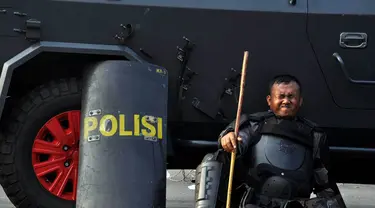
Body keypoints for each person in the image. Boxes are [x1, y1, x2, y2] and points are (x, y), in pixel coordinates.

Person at [194, 75, 346, 208]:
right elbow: (236, 141)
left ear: (300, 101)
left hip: (295, 204)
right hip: (253, 202)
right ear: (269, 100)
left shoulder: (315, 135)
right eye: (281, 96)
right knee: (213, 159)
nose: (286, 101)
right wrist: (228, 138)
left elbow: (325, 182)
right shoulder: (254, 124)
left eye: (291, 96)